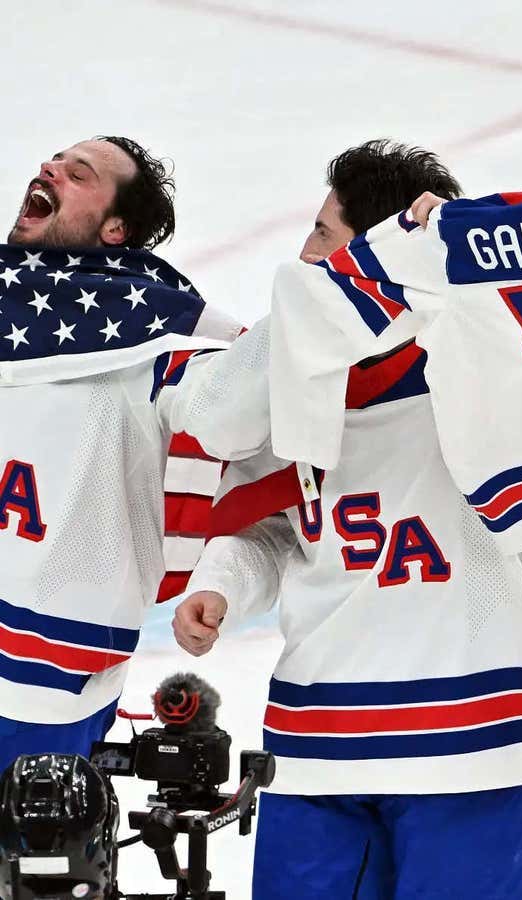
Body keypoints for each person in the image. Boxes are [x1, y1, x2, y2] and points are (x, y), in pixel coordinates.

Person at [171, 140, 522, 900]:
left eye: (324, 234)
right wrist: (223, 582)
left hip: (470, 727)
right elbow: (248, 476)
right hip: (320, 730)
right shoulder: (289, 376)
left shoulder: (479, 353)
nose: (303, 254)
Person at [0, 137, 245, 770]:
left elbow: (235, 406)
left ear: (115, 230)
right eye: (55, 160)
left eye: (78, 174)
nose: (51, 168)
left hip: (39, 684)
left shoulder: (158, 335)